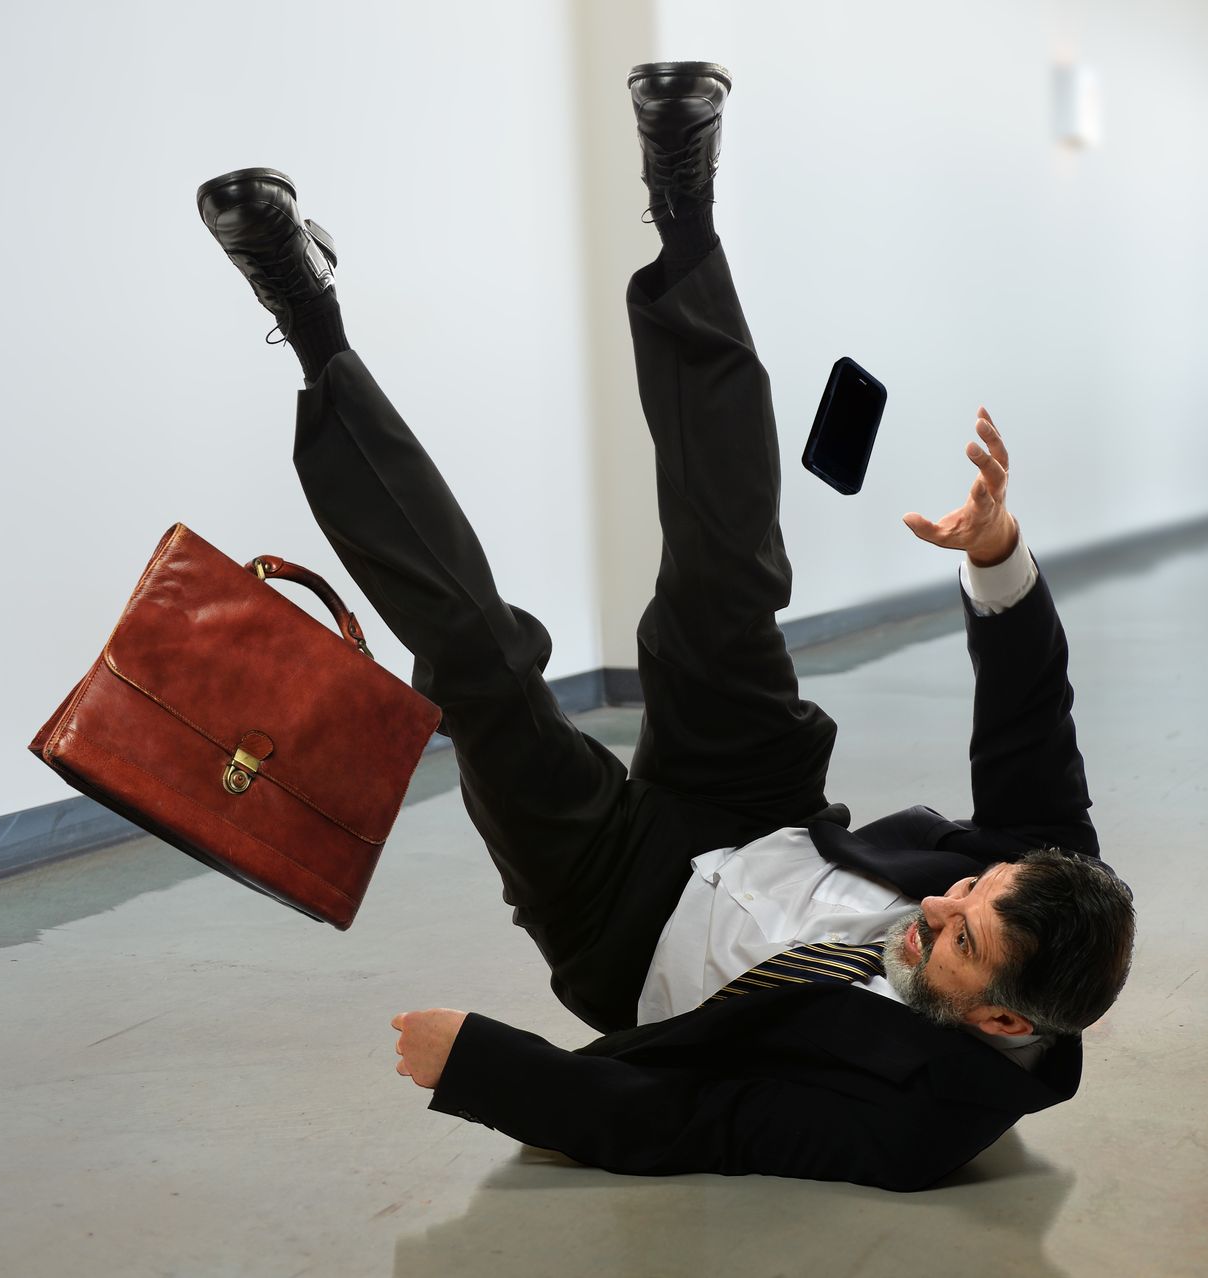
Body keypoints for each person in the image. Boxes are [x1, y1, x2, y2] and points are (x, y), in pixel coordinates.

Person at [195, 61, 1134, 1192]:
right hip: (757, 803)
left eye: (961, 941)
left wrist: (487, 1070)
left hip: (617, 920)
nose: (941, 903)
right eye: (970, 895)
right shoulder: (1051, 879)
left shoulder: (913, 1126)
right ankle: (685, 212)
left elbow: (694, 1125)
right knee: (726, 571)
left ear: (995, 1026)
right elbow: (1030, 713)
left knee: (479, 670)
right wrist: (995, 549)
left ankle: (308, 325)